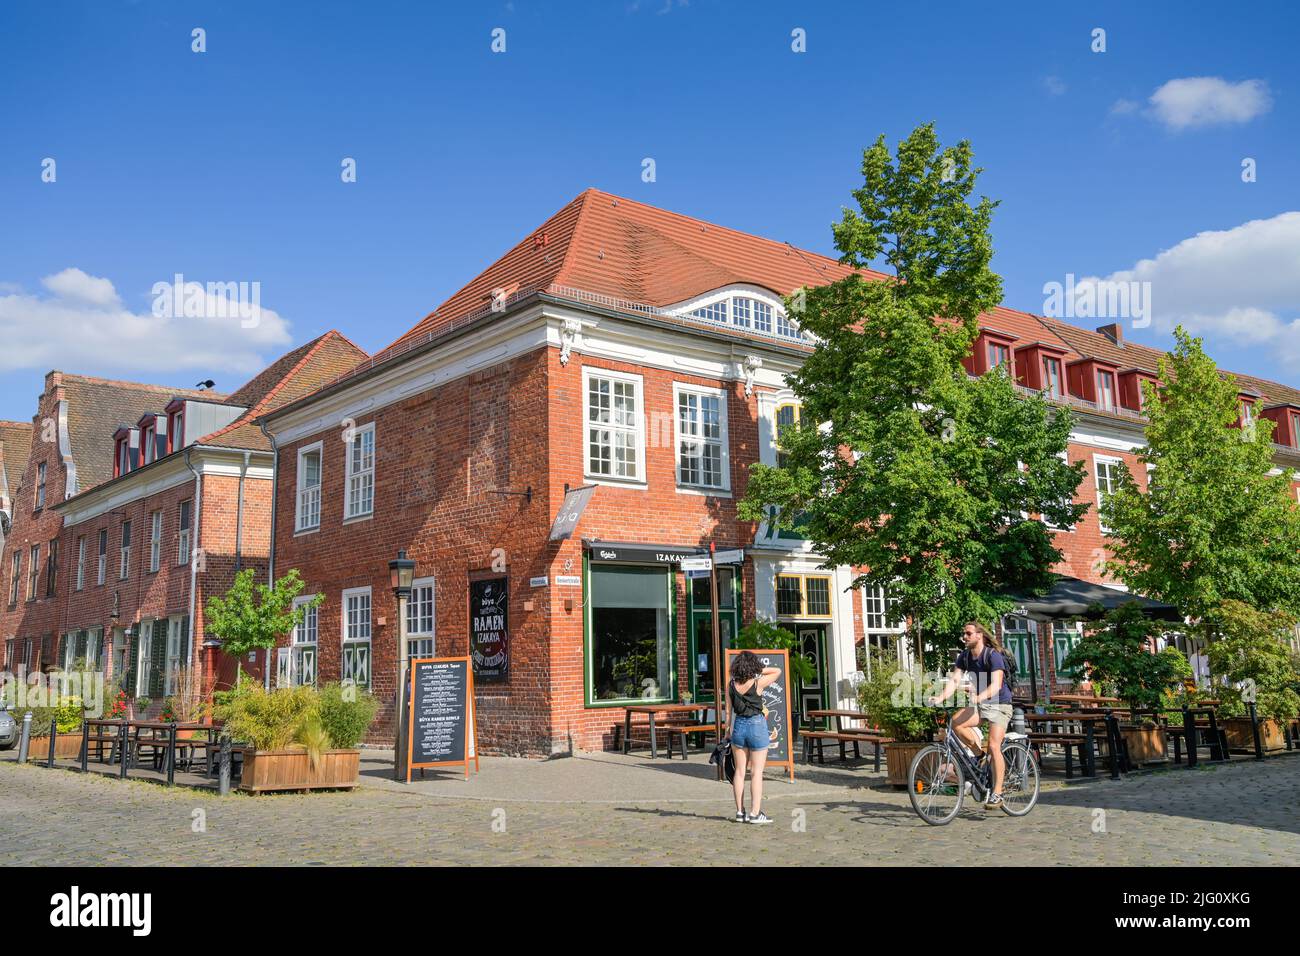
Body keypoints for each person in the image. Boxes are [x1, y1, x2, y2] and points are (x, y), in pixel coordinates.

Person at [932, 621, 1014, 811]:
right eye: (964, 633)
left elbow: (996, 685)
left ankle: (997, 792)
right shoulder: (965, 656)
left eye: (969, 633)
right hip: (981, 702)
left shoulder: (993, 656)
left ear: (980, 635)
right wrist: (940, 697)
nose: (965, 636)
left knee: (994, 745)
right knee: (956, 723)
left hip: (1000, 704)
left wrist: (979, 696)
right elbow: (954, 680)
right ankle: (979, 755)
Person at [727, 651, 782, 824]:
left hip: (739, 726)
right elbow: (777, 671)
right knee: (756, 772)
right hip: (757, 725)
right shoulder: (757, 683)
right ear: (752, 666)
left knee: (739, 771)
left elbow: (728, 711)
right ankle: (755, 813)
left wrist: (727, 730)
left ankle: (739, 812)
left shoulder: (731, 685)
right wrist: (759, 669)